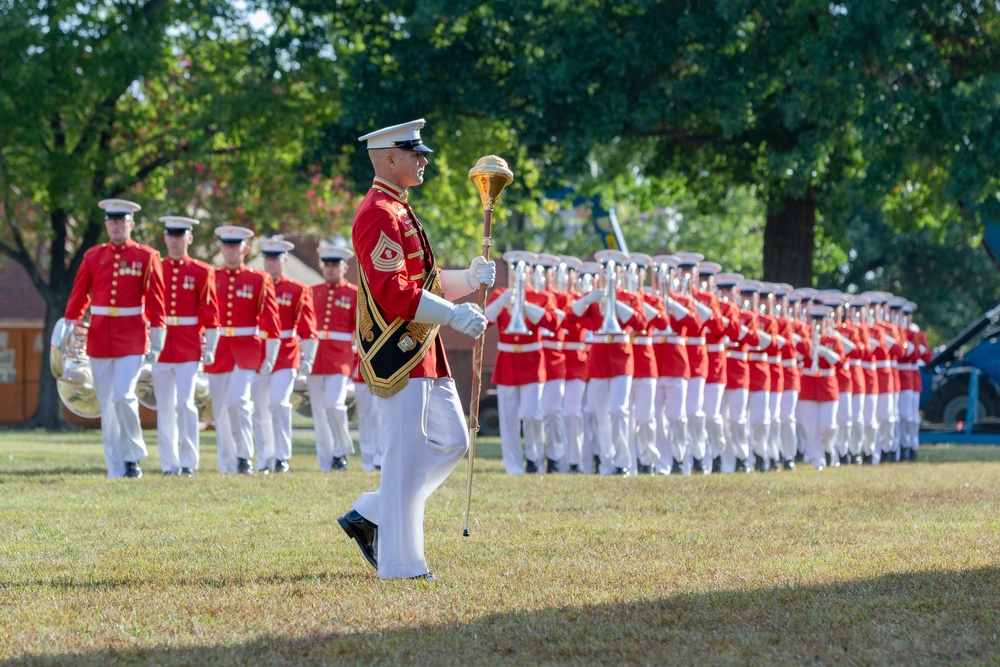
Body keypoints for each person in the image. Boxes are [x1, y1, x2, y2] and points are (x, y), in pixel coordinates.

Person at [336, 119, 492, 580]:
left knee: (452, 441)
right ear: (389, 159)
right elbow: (393, 292)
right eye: (414, 153)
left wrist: (467, 278)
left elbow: (426, 282)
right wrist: (454, 315)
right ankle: (401, 565)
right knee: (404, 458)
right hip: (396, 349)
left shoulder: (400, 210)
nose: (423, 160)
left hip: (422, 347)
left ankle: (372, 512)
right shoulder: (378, 213)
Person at [64, 199, 166, 479]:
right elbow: (79, 294)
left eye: (122, 222)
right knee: (107, 404)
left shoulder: (147, 256)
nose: (117, 226)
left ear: (131, 224)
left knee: (123, 396)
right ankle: (115, 467)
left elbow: (156, 300)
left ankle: (133, 456)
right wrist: (71, 322)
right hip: (99, 337)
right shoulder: (93, 256)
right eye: (112, 221)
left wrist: (157, 339)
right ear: (106, 224)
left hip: (131, 337)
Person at [205, 225, 281, 474]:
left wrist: (270, 356)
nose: (230, 251)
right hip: (218, 350)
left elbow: (271, 321)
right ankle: (227, 463)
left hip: (247, 348)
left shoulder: (259, 279)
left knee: (237, 400)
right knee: (220, 410)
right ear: (221, 248)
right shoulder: (211, 277)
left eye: (235, 246)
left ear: (245, 249)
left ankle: (244, 456)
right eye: (226, 246)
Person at [151, 215, 220, 477]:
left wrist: (210, 344)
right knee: (165, 407)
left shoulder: (202, 271)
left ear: (189, 239)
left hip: (188, 345)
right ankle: (169, 464)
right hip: (161, 346)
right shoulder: (156, 267)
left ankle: (188, 462)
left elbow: (210, 310)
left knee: (185, 404)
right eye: (172, 236)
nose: (176, 241)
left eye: (181, 237)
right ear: (166, 238)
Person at [485, 251, 558, 475]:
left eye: (522, 269)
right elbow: (484, 321)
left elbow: (553, 323)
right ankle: (513, 466)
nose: (518, 274)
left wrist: (527, 306)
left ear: (529, 272)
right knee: (508, 421)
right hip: (507, 362)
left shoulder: (542, 296)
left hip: (532, 362)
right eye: (514, 270)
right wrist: (500, 303)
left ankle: (535, 459)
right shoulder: (500, 293)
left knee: (531, 414)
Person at [251, 237, 317, 473]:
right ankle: (264, 458)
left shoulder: (298, 289)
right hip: (257, 353)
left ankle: (281, 456)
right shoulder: (254, 285)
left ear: (285, 260)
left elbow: (308, 328)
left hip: (286, 354)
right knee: (259, 409)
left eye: (275, 258)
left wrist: (308, 358)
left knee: (279, 403)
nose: (271, 263)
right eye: (267, 258)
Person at [309, 243, 361, 471]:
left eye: (335, 265)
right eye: (327, 264)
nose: (330, 269)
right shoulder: (311, 292)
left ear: (344, 267)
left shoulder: (353, 293)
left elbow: (360, 329)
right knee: (319, 413)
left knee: (334, 404)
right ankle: (326, 461)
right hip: (314, 357)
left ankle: (340, 450)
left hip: (340, 357)